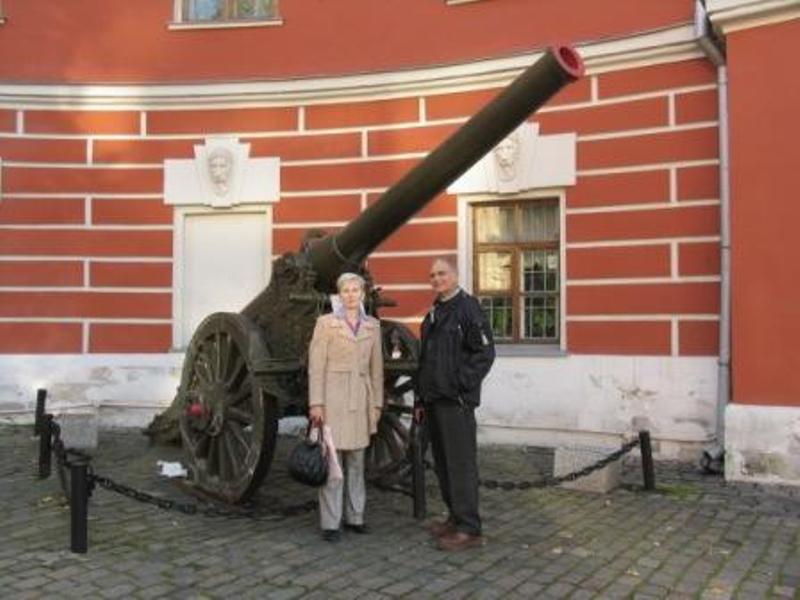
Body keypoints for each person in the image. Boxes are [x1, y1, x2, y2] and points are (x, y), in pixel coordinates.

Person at [416, 257, 495, 551]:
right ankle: (454, 517)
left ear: (455, 275)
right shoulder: (436, 311)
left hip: (455, 402)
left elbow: (485, 354)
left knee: (461, 464)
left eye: (442, 273)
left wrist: (460, 384)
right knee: (443, 464)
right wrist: (422, 396)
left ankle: (469, 529)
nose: (437, 279)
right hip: (435, 400)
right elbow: (428, 357)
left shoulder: (467, 308)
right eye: (433, 275)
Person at [308, 272, 384, 543]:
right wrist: (316, 402)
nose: (351, 295)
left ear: (363, 294)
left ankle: (356, 517)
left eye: (356, 290)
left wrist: (376, 404)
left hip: (360, 398)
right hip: (333, 397)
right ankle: (330, 523)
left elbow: (377, 370)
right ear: (339, 296)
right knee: (333, 463)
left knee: (357, 462)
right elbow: (316, 366)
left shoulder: (373, 326)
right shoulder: (326, 324)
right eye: (346, 291)